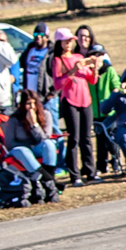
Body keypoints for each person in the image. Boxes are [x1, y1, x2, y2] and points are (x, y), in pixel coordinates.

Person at [42, 33, 99, 184]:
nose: (68, 44)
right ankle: (75, 174)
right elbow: (57, 84)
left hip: (85, 100)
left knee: (86, 138)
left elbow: (91, 80)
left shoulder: (79, 56)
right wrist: (72, 71)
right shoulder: (57, 60)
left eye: (70, 41)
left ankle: (91, 172)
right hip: (70, 100)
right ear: (59, 43)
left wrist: (94, 68)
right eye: (65, 41)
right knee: (74, 138)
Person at [10, 88, 62, 193]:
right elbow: (9, 142)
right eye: (28, 104)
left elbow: (44, 138)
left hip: (37, 147)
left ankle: (47, 181)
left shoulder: (46, 114)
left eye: (34, 103)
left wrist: (34, 124)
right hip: (21, 150)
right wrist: (27, 147)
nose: (32, 107)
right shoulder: (14, 118)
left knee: (49, 144)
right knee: (24, 151)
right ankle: (50, 182)